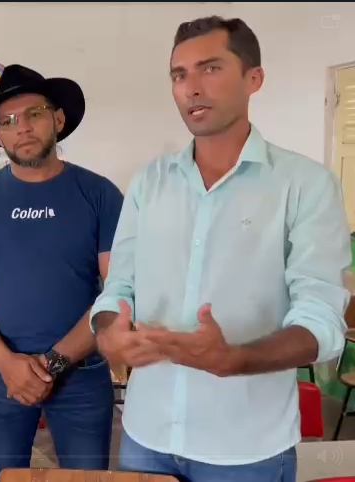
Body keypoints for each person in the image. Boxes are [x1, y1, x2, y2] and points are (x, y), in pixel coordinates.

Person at [91, 16, 352, 482]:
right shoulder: (150, 182)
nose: (191, 87)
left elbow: (321, 318)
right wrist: (109, 331)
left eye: (209, 69)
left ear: (254, 79)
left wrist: (237, 359)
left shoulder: (305, 185)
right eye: (179, 74)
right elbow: (119, 287)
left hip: (245, 446)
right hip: (145, 435)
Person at [0, 64, 124, 481]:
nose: (21, 128)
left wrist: (54, 362)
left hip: (80, 376)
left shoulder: (99, 193)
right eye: (7, 121)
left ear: (58, 119)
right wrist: (6, 362)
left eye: (33, 114)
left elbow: (118, 289)